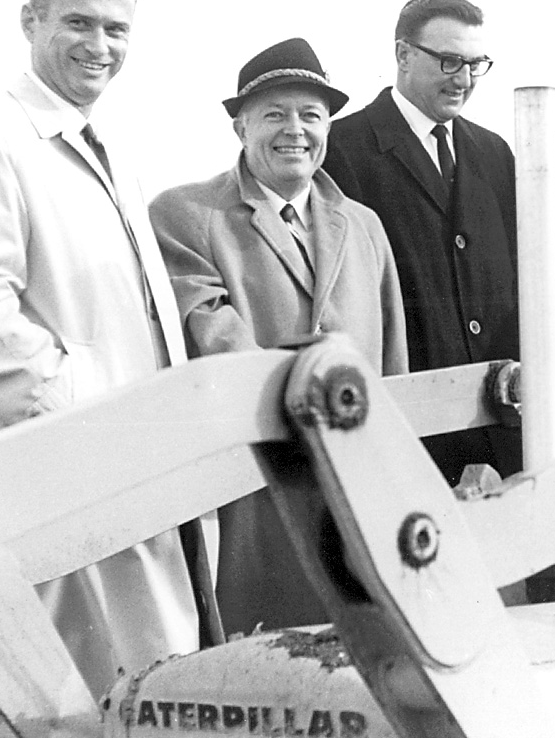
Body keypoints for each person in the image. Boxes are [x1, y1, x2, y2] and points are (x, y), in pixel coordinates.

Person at [0, 0, 199, 696]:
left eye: (117, 29)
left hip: (138, 464)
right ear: (29, 20)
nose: (100, 46)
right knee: (85, 694)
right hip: (68, 471)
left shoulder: (110, 140)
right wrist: (77, 423)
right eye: (79, 22)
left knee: (156, 687)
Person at [149, 37, 409, 636]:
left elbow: (393, 364)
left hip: (360, 493)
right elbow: (212, 338)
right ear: (240, 128)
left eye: (311, 115)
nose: (295, 130)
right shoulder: (185, 216)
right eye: (274, 114)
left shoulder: (364, 225)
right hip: (257, 497)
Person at [323, 0, 519, 484]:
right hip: (408, 433)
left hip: (498, 427)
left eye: (477, 64)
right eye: (450, 61)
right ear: (403, 55)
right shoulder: (342, 151)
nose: (466, 79)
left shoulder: (494, 153)